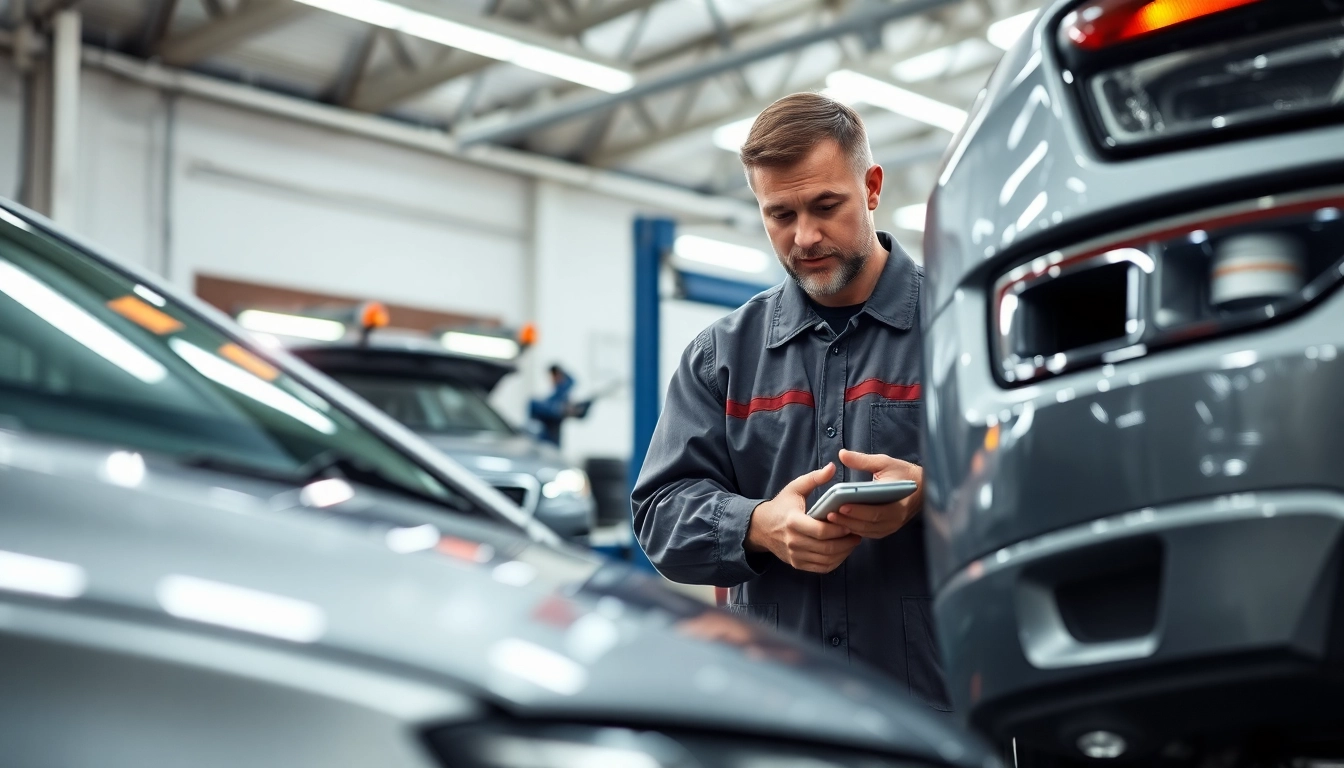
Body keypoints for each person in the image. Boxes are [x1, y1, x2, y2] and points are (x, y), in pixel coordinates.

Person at [631, 93, 949, 711]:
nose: (805, 236)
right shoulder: (720, 356)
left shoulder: (959, 328)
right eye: (780, 214)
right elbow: (659, 515)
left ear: (872, 186)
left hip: (930, 707)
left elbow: (1045, 483)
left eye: (827, 206)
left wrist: (930, 496)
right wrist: (758, 526)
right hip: (778, 709)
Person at [529, 364, 590, 446]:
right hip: (547, 437)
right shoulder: (557, 395)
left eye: (552, 377)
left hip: (550, 439)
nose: (551, 380)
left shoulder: (562, 393)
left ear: (557, 375)